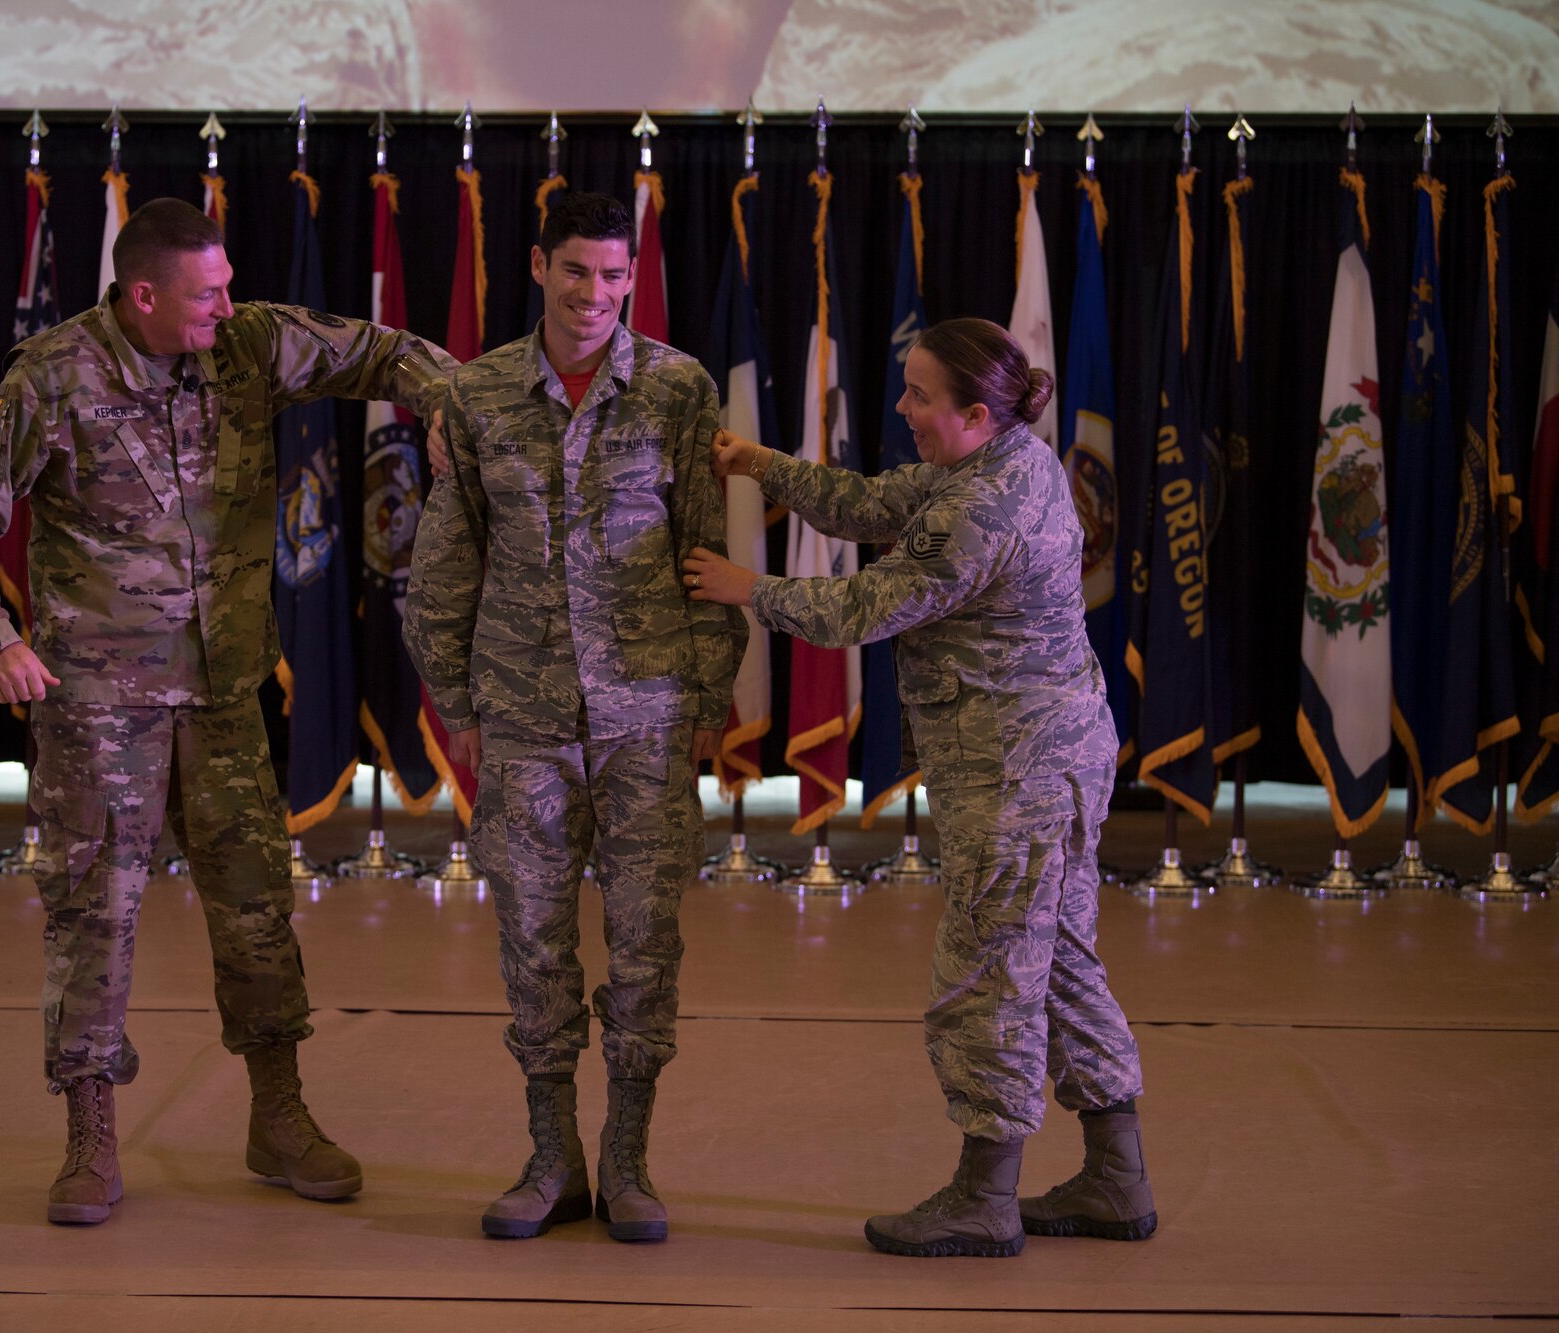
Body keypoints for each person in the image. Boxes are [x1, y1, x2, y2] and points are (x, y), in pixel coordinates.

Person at [0, 198, 455, 1226]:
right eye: (205, 292)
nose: (227, 305)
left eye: (228, 284)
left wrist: (442, 402)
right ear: (143, 293)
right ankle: (88, 1133)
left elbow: (381, 352)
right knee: (94, 912)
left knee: (256, 906)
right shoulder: (53, 376)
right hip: (98, 706)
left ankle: (279, 1114)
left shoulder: (247, 342)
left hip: (223, 691)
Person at [684, 317, 1152, 1258]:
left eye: (919, 396)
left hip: (1015, 769)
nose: (903, 409)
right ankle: (1117, 1174)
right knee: (1057, 959)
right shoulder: (999, 460)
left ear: (977, 413)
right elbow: (872, 501)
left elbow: (867, 604)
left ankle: (987, 1193)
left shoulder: (985, 508)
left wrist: (749, 588)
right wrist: (761, 463)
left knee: (989, 974)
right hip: (1049, 755)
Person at [404, 191, 745, 1243]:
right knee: (532, 941)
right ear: (538, 267)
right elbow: (446, 555)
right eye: (575, 272)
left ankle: (627, 1161)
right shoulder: (478, 393)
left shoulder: (678, 390)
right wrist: (456, 701)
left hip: (646, 714)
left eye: (612, 277)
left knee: (645, 946)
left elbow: (706, 559)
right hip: (523, 716)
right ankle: (550, 1160)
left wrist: (705, 695)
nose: (593, 296)